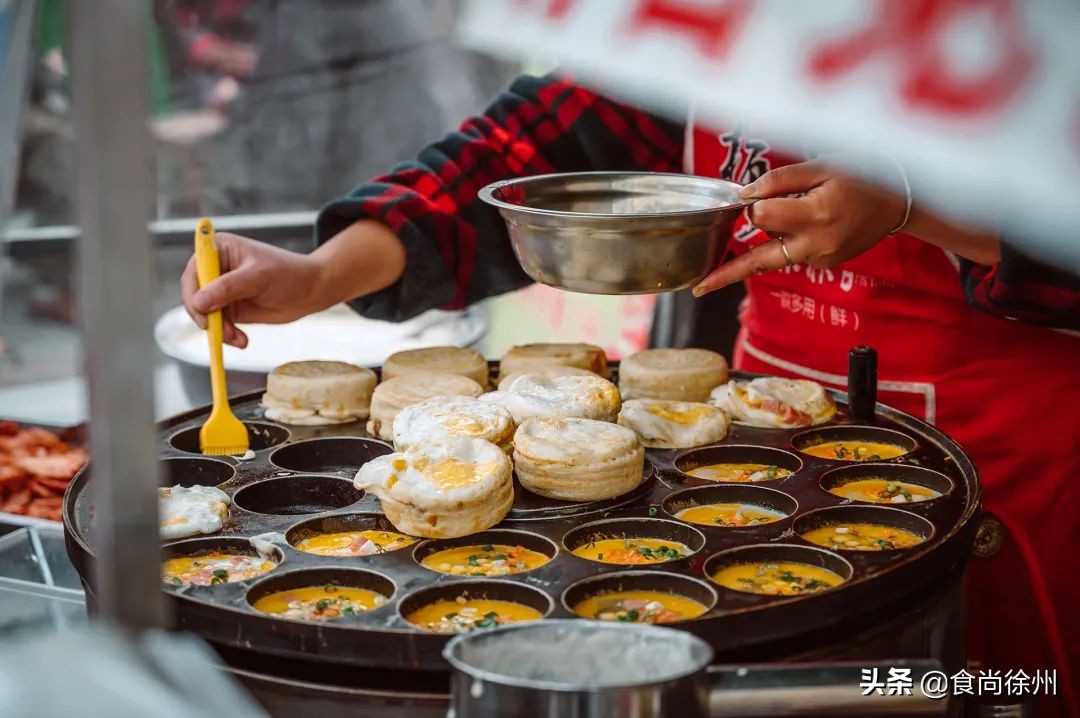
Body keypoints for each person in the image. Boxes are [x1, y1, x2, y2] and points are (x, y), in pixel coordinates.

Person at [181, 75, 1080, 715]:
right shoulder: (721, 27)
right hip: (749, 451)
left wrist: (916, 200)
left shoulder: (1006, 28)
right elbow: (536, 147)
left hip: (1006, 461)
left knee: (990, 691)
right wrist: (322, 272)